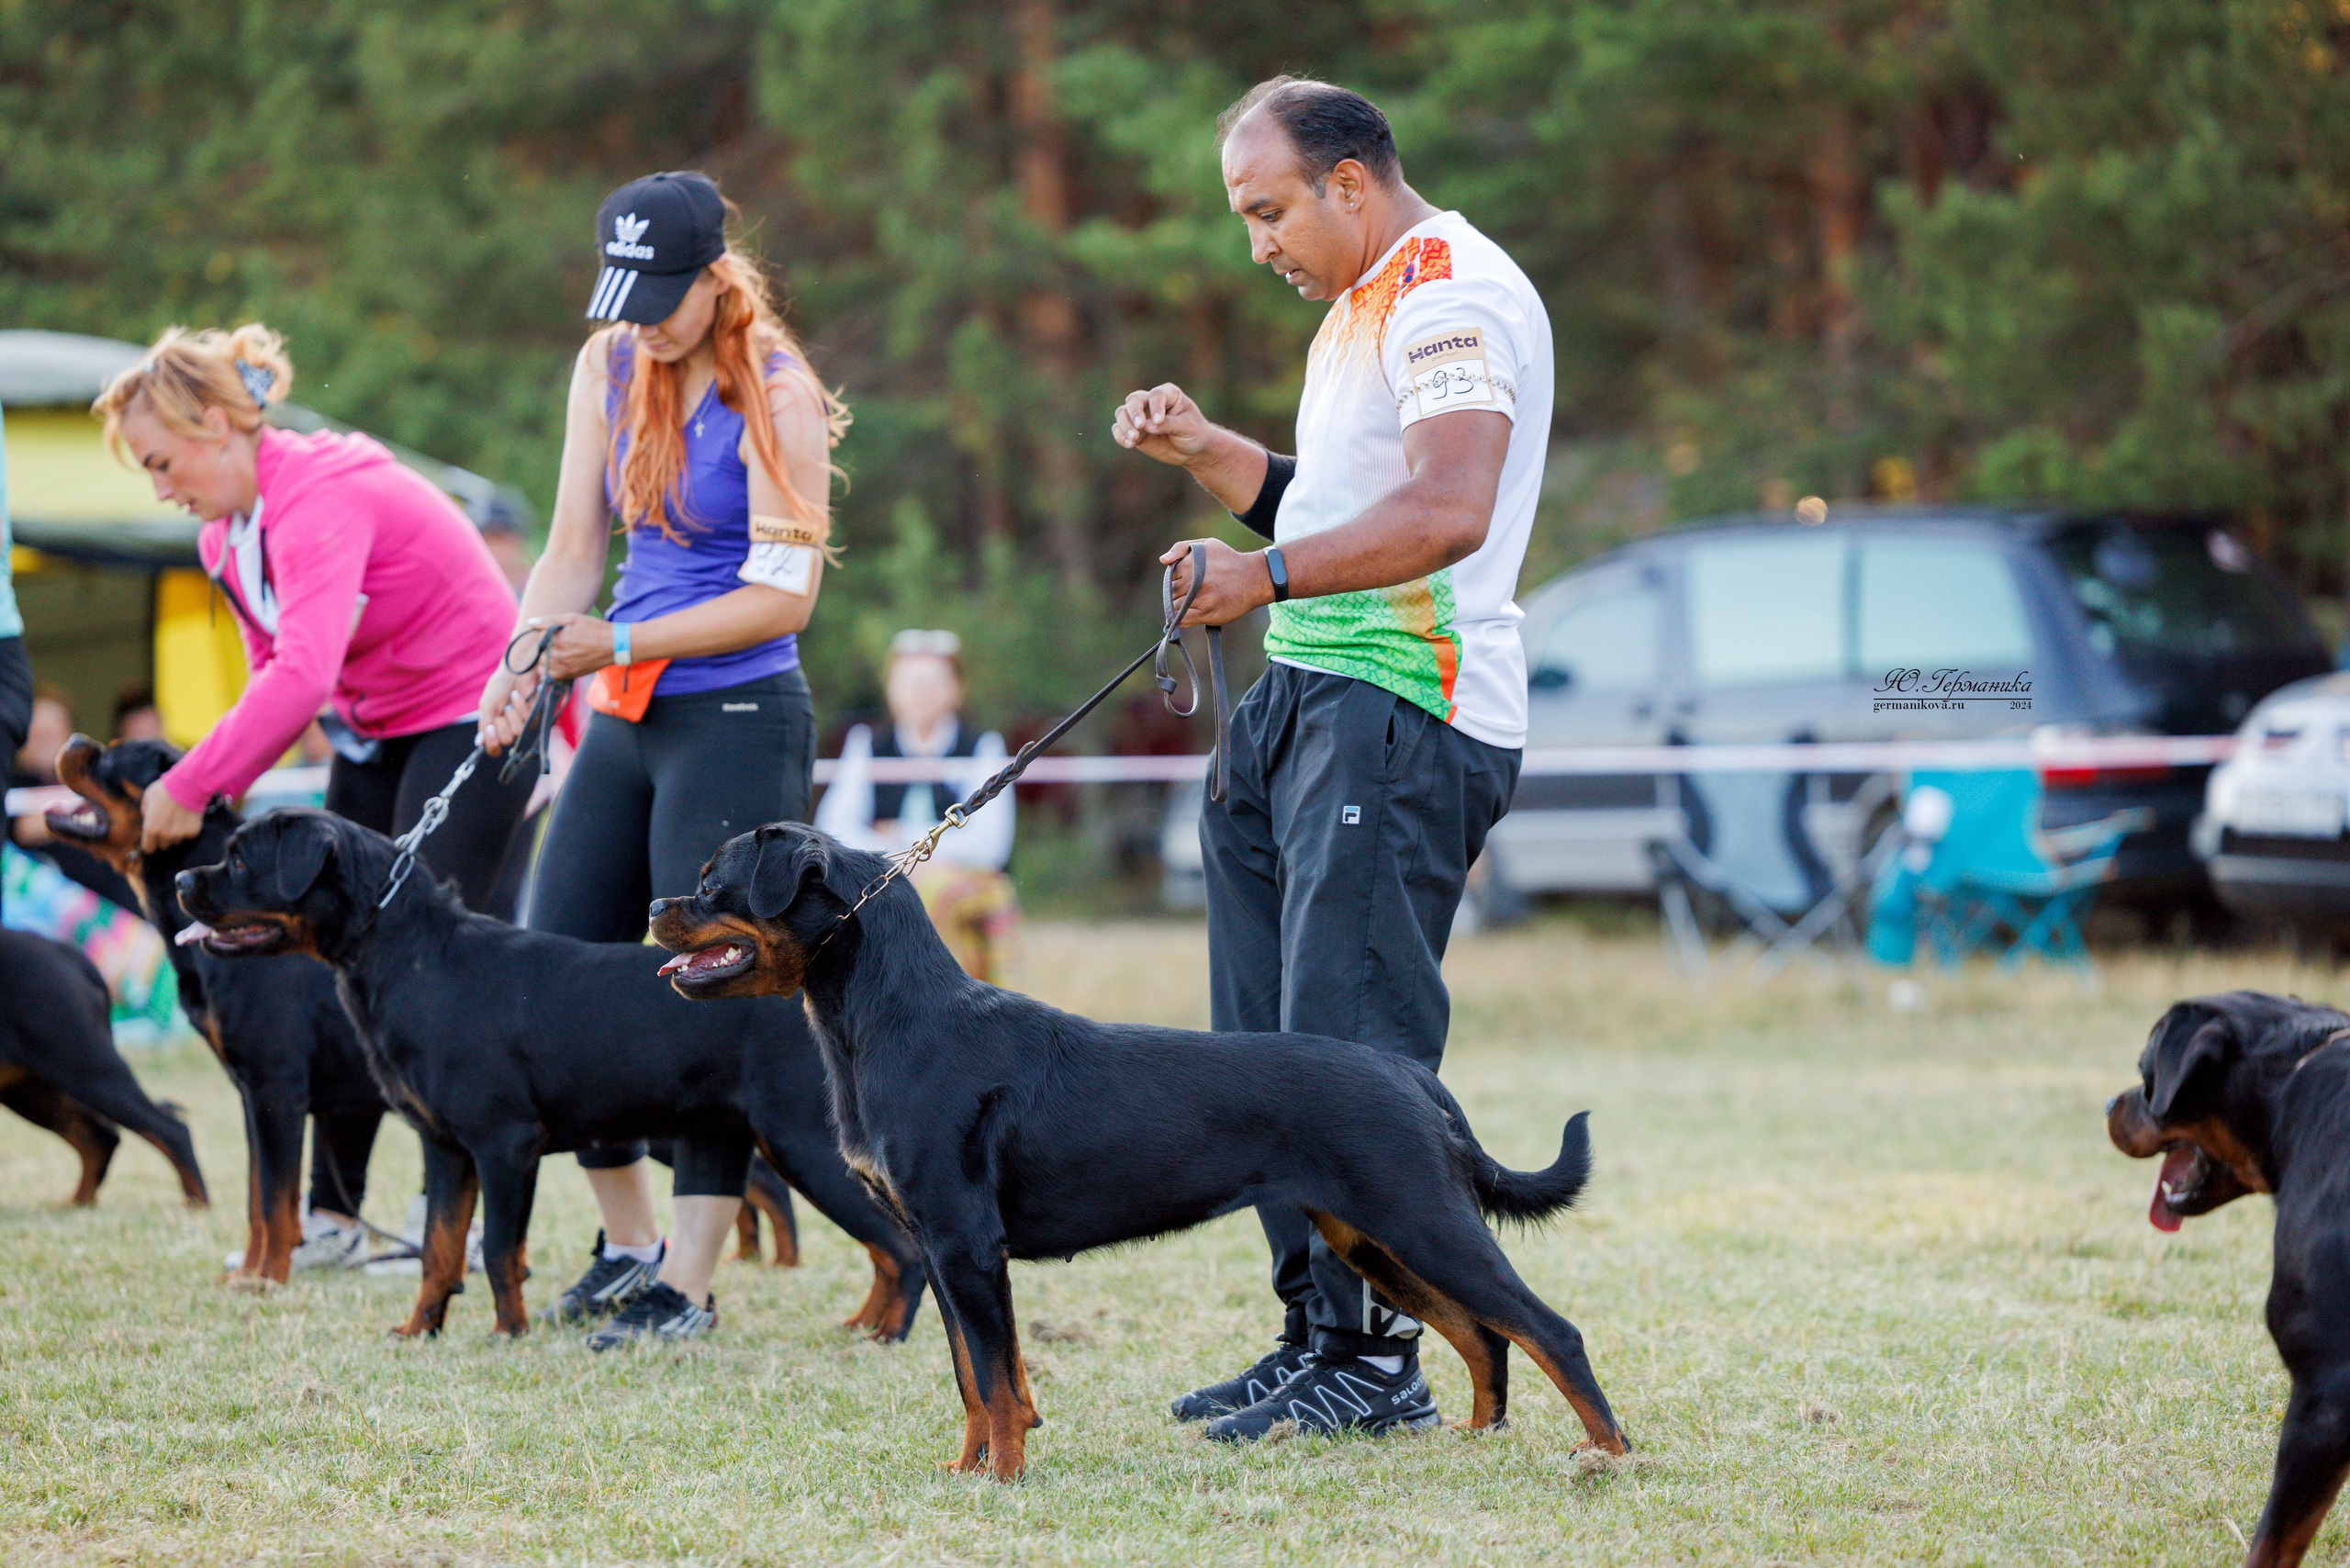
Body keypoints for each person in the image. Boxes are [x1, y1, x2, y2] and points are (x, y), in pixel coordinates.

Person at [1111, 77, 1550, 1439]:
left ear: (1348, 182)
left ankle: (1378, 1367)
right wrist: (1208, 457)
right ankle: (1318, 1329)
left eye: (1267, 212)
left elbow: (1448, 510)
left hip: (1402, 708)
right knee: (1261, 1059)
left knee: (1346, 1055)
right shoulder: (1360, 306)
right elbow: (1337, 505)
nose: (1258, 245)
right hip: (1305, 698)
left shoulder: (1449, 297)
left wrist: (1267, 575)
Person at [477, 170, 845, 1349]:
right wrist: (523, 657)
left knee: (710, 988)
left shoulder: (777, 392)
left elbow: (783, 599)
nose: (641, 319)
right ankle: (628, 1242)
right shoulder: (609, 361)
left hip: (735, 711)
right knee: (561, 958)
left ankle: (686, 1282)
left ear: (713, 273)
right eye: (624, 295)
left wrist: (617, 639)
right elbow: (575, 544)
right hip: (624, 707)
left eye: (660, 297)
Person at [91, 324, 536, 1266]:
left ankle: (439, 1213)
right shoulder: (224, 534)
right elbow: (270, 678)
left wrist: (188, 784)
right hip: (372, 727)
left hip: (474, 715)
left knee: (425, 970)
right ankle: (332, 1214)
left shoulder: (316, 496)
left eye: (164, 462)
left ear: (216, 424)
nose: (161, 486)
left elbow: (299, 674)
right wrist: (215, 795)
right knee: (331, 956)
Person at [814, 629, 1020, 981]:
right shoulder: (867, 743)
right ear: (890, 688)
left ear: (957, 689)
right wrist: (900, 860)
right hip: (885, 875)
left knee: (934, 890)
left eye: (933, 681)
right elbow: (832, 829)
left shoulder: (982, 746)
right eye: (909, 681)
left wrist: (909, 843)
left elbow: (991, 845)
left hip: (962, 880)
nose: (920, 692)